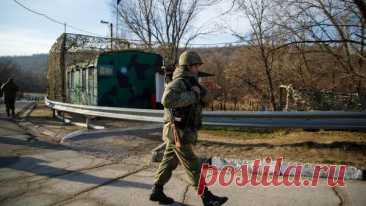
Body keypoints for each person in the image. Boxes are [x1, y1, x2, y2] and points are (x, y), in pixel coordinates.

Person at [150, 51, 228, 206]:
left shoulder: (192, 82)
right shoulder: (179, 82)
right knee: (193, 164)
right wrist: (193, 94)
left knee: (169, 162)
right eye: (196, 65)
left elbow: (206, 101)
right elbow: (167, 100)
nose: (198, 68)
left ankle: (157, 191)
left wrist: (206, 91)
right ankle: (207, 197)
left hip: (183, 131)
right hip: (178, 131)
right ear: (188, 66)